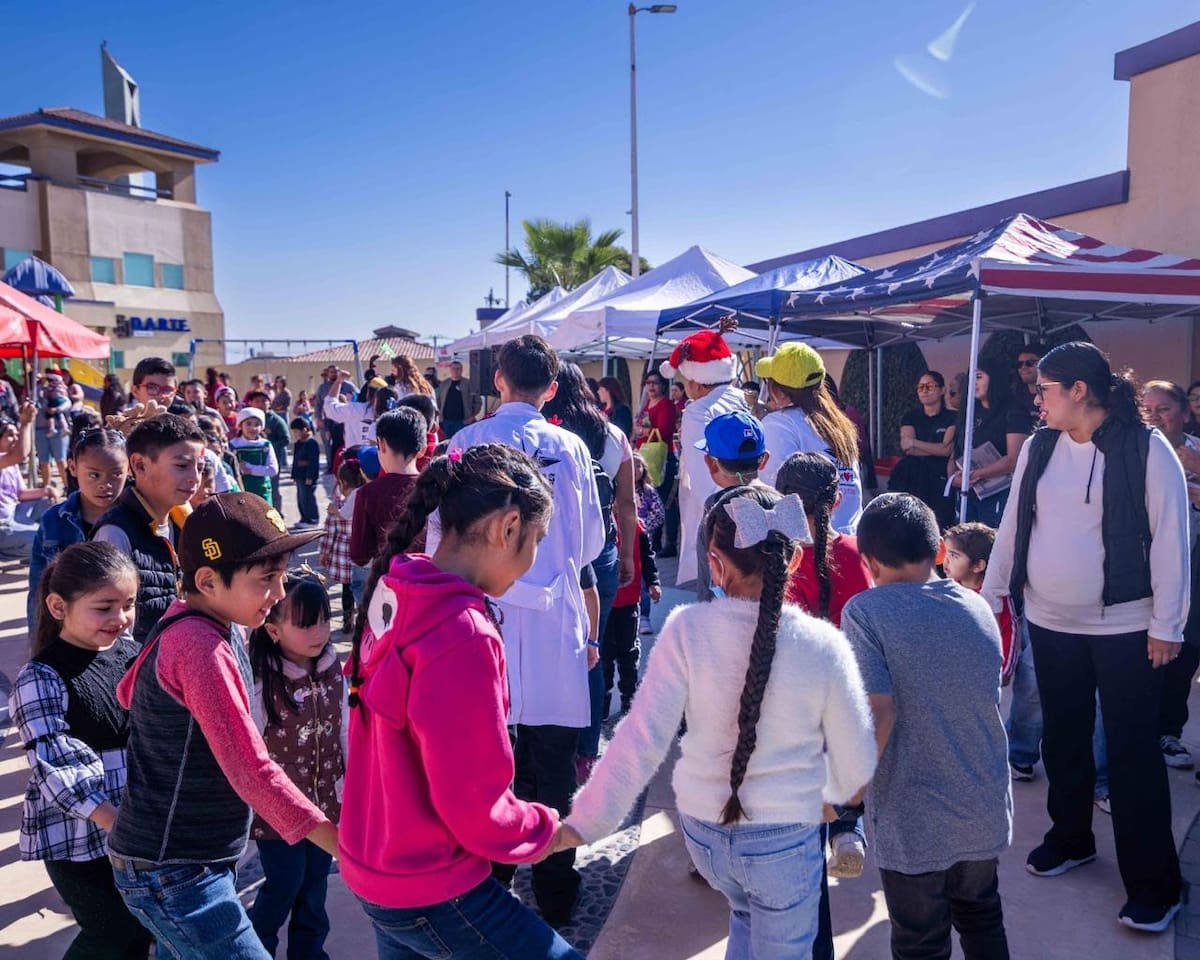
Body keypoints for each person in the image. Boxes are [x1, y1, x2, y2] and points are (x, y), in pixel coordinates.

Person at [565, 485, 877, 957]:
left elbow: (639, 740)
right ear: (794, 562)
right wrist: (834, 802)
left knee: (744, 919)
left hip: (705, 837)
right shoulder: (823, 645)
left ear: (715, 561)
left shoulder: (685, 631)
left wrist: (583, 824)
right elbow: (856, 766)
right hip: (784, 840)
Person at [339, 445, 582, 959]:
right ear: (508, 526)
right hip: (430, 881)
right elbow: (477, 808)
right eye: (537, 539)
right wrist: (548, 830)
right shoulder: (462, 632)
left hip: (373, 864)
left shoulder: (401, 587)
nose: (534, 557)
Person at [982, 342, 1187, 932]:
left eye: (1043, 388)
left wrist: (1166, 626)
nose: (1035, 398)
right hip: (1051, 622)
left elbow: (1172, 540)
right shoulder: (1041, 448)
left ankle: (1155, 884)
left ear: (1078, 390)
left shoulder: (1147, 449)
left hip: (1128, 628)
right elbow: (1015, 521)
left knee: (1131, 755)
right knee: (1063, 741)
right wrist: (992, 593)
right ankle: (1071, 839)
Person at [434, 335, 606, 926]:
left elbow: (439, 542)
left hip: (484, 618)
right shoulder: (572, 447)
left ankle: (492, 878)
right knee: (554, 764)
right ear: (552, 388)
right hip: (555, 620)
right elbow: (591, 544)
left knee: (489, 756)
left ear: (498, 380)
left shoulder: (465, 442)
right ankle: (557, 886)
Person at [842, 494, 1012, 959]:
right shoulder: (977, 607)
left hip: (913, 819)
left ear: (868, 561)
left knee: (921, 942)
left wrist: (847, 794)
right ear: (939, 550)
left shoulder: (865, 612)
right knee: (982, 921)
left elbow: (880, 713)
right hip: (982, 807)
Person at [9, 542, 152, 959]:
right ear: (58, 606)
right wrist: (119, 822)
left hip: (132, 829)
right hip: (77, 837)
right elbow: (57, 766)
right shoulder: (41, 677)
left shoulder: (129, 652)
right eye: (104, 607)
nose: (121, 618)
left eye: (128, 604)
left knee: (140, 929)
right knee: (109, 928)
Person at [774, 452, 874, 882]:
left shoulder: (776, 556)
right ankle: (848, 828)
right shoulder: (854, 554)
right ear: (835, 503)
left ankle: (798, 844)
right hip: (846, 684)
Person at [542, 362, 637, 784]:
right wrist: (631, 555)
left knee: (548, 645)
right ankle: (586, 750)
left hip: (550, 550)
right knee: (591, 648)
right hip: (603, 550)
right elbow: (627, 506)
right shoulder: (613, 435)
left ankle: (549, 737)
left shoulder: (544, 433)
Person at [248, 571, 345, 959]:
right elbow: (248, 746)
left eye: (323, 619)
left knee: (316, 883)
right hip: (279, 810)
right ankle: (256, 948)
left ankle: (309, 953)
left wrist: (349, 783)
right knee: (285, 882)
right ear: (273, 631)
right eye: (305, 623)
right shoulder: (261, 680)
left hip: (323, 804)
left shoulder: (332, 666)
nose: (319, 631)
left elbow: (345, 729)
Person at [92, 414, 205, 645]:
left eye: (200, 467)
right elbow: (113, 631)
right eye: (182, 466)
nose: (195, 478)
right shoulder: (116, 533)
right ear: (139, 465)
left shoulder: (187, 523)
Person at [1142, 379, 1200, 769]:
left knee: (1186, 645)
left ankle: (1168, 732)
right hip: (1144, 563)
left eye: (1163, 408)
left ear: (1184, 412)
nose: (1155, 416)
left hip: (1192, 563)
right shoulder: (1136, 450)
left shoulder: (1195, 452)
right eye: (1147, 408)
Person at [663, 329, 747, 584]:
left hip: (715, 519)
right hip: (744, 506)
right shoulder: (741, 399)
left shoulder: (698, 412)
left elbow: (704, 480)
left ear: (697, 382)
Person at [757, 342, 863, 534]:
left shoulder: (778, 424)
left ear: (780, 391)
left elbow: (773, 493)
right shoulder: (839, 423)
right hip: (849, 539)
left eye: (769, 382)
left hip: (811, 545)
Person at [29, 427, 128, 624]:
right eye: (94, 475)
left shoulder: (137, 519)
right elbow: (38, 592)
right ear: (72, 467)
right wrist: (40, 644)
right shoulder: (54, 521)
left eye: (115, 474)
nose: (105, 484)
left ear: (130, 469)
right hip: (69, 631)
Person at [692, 410, 770, 602]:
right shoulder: (780, 502)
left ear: (711, 463)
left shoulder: (716, 506)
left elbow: (708, 573)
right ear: (764, 460)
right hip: (776, 614)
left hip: (725, 618)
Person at [948, 358, 1031, 526]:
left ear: (994, 378)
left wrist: (976, 474)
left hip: (999, 493)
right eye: (970, 378)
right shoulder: (969, 411)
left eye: (978, 377)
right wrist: (952, 478)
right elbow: (956, 452)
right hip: (967, 493)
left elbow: (1014, 459)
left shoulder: (1013, 411)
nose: (973, 383)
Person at [350, 407, 425, 567]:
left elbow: (359, 556)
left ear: (382, 444)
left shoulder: (368, 493)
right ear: (422, 449)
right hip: (435, 583)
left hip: (388, 581)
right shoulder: (438, 487)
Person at [602, 516, 660, 719]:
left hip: (629, 601)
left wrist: (653, 582)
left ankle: (630, 699)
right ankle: (603, 703)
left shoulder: (636, 525)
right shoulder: (600, 524)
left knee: (629, 652)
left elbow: (647, 557)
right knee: (604, 656)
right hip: (604, 604)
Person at [943, 522, 1018, 680]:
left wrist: (1003, 671)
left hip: (983, 679)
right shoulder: (947, 590)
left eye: (954, 555)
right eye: (947, 553)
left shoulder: (995, 598)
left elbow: (1008, 631)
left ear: (978, 565)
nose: (946, 561)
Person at [890, 371, 957, 528]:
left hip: (939, 478)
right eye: (920, 387)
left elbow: (947, 451)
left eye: (930, 386)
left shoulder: (953, 417)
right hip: (912, 477)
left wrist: (914, 442)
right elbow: (907, 448)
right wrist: (937, 448)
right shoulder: (910, 416)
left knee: (938, 524)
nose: (924, 391)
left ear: (942, 390)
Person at [0, 406, 57, 561]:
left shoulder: (11, 464)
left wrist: (46, 490)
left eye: (17, 434)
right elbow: (20, 454)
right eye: (10, 435)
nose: (16, 439)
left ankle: (29, 546)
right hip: (2, 526)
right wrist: (26, 422)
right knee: (45, 541)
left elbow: (20, 494)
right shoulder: (6, 459)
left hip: (13, 514)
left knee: (49, 503)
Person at [635, 371, 680, 557]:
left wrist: (644, 430)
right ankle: (655, 540)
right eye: (648, 382)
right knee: (651, 500)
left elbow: (664, 430)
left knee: (665, 501)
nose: (651, 386)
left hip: (663, 458)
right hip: (646, 457)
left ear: (663, 385)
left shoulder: (666, 405)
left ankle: (669, 542)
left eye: (656, 382)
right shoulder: (647, 404)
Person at [320, 459, 364, 636]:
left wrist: (324, 552)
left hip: (343, 555)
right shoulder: (366, 501)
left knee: (346, 590)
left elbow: (330, 533)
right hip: (362, 554)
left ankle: (347, 623)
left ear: (343, 483)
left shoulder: (336, 508)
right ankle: (363, 621)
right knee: (361, 589)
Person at [230, 407, 281, 507]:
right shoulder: (233, 445)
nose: (252, 428)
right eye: (248, 424)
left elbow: (273, 469)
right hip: (241, 488)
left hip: (262, 489)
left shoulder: (265, 445)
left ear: (262, 427)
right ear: (240, 425)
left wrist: (251, 469)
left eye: (257, 424)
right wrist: (238, 469)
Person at [245, 390, 291, 494]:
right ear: (251, 403)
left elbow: (286, 439)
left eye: (263, 401)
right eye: (257, 401)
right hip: (250, 460)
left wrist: (268, 447)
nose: (260, 404)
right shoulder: (246, 418)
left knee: (271, 489)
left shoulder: (275, 420)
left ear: (269, 403)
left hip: (269, 461)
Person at [435, 359, 479, 438]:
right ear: (450, 370)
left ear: (461, 370)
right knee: (447, 444)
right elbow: (438, 400)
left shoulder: (468, 384)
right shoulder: (444, 384)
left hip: (463, 421)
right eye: (453, 368)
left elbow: (477, 401)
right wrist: (439, 416)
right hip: (446, 421)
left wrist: (472, 416)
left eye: (458, 369)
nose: (455, 371)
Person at [291, 417, 321, 527]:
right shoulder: (298, 443)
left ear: (304, 430)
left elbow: (313, 462)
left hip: (307, 477)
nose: (295, 434)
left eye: (296, 431)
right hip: (299, 476)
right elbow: (295, 460)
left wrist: (310, 476)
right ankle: (304, 518)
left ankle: (312, 519)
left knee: (308, 498)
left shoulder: (311, 443)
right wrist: (293, 475)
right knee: (301, 498)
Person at [1013, 344, 1045, 431]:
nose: (1023, 367)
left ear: (1044, 363)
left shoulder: (1054, 396)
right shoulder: (1016, 398)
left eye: (1029, 363)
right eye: (1019, 364)